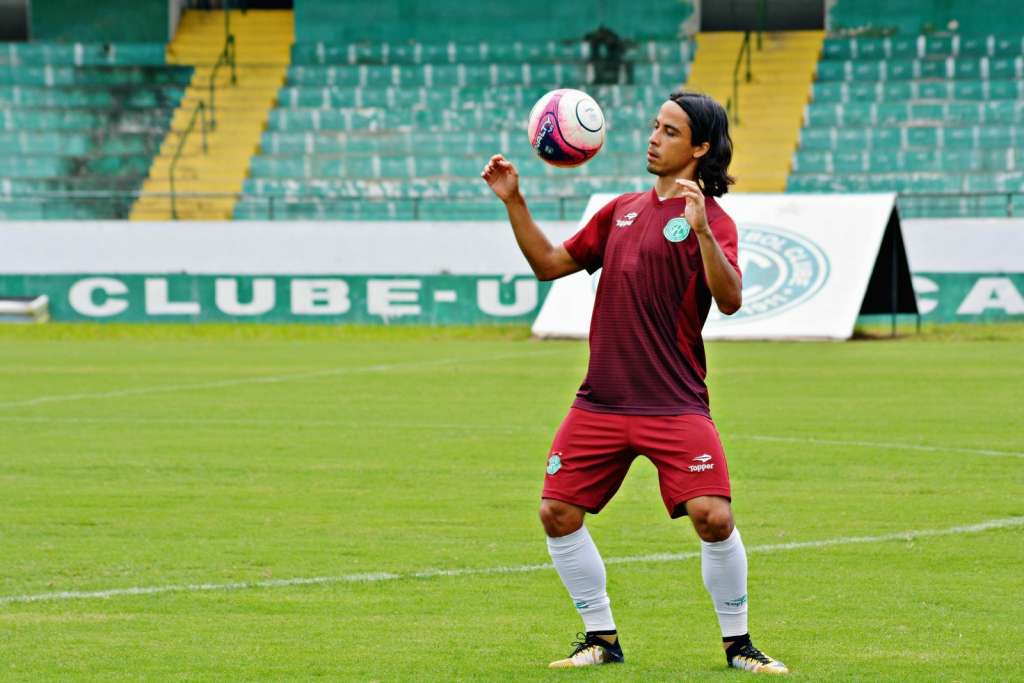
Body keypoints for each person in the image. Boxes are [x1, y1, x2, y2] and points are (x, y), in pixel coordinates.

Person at [480, 90, 788, 675]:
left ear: (700, 148)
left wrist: (699, 231)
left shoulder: (715, 223)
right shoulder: (619, 210)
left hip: (674, 404)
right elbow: (549, 264)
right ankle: (601, 638)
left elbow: (730, 300)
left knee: (714, 518)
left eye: (669, 131)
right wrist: (514, 201)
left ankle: (738, 644)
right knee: (557, 513)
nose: (653, 137)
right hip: (602, 400)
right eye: (654, 126)